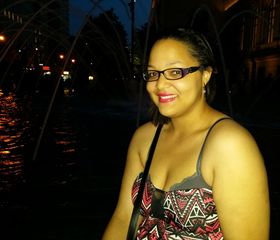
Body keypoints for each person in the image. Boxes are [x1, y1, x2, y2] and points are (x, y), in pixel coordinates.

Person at [102, 28, 270, 240]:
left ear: (205, 75)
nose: (160, 84)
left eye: (175, 72)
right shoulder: (144, 138)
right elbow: (123, 217)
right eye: (153, 73)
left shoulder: (229, 144)